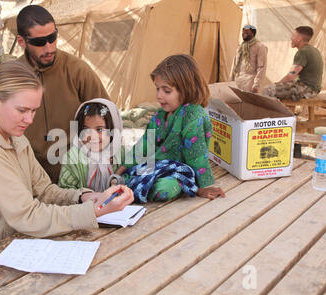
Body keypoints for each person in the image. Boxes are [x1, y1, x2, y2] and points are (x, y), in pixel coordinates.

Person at [0, 60, 133, 255]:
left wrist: (84, 197)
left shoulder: (17, 140)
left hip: (19, 244)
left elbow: (45, 191)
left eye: (33, 110)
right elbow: (28, 215)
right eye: (22, 110)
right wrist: (94, 211)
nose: (29, 120)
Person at [16, 5, 110, 183]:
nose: (49, 47)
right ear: (21, 41)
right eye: (39, 42)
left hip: (76, 172)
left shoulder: (77, 70)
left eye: (52, 38)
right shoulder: (15, 75)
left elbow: (107, 114)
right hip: (31, 176)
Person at [115, 54, 226, 202]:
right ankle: (131, 181)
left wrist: (201, 188)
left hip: (180, 172)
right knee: (128, 163)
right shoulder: (160, 115)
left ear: (186, 89)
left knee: (165, 188)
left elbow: (196, 154)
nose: (159, 96)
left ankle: (137, 184)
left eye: (166, 91)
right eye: (157, 89)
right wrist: (122, 168)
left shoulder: (192, 115)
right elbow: (146, 143)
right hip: (159, 166)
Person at [58, 98, 125, 192]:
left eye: (100, 130)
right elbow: (65, 192)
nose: (92, 136)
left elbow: (130, 180)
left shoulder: (122, 154)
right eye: (86, 129)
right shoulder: (72, 159)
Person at [262, 26, 323, 101]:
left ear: (299, 39)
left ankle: (279, 112)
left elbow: (290, 76)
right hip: (314, 89)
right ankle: (281, 110)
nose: (291, 38)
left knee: (267, 90)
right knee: (277, 90)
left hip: (307, 89)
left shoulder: (302, 52)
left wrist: (276, 84)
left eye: (293, 35)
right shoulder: (313, 50)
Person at [229, 25, 268, 93]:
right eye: (243, 31)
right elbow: (234, 65)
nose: (243, 32)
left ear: (252, 33)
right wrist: (230, 82)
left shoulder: (260, 47)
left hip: (250, 83)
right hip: (237, 81)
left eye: (246, 31)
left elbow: (261, 68)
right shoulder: (240, 48)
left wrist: (256, 85)